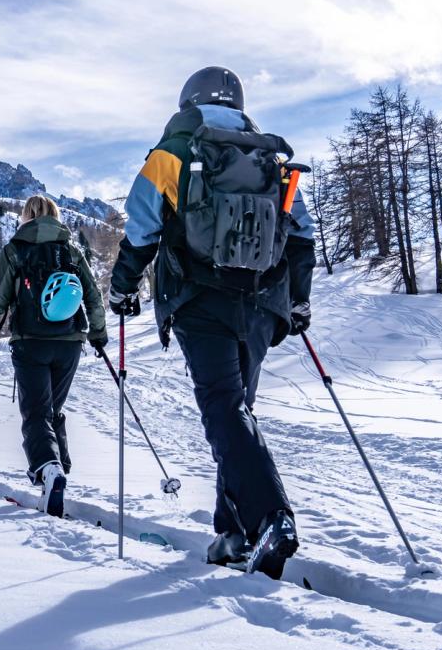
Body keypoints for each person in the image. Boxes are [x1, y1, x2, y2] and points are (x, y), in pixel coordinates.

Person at [107, 66, 316, 579]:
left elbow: (141, 231)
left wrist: (121, 287)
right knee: (236, 411)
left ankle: (271, 518)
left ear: (187, 101)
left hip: (201, 300)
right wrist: (299, 302)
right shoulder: (268, 155)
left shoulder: (173, 152)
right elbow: (302, 234)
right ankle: (233, 532)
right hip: (264, 304)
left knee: (224, 409)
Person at [0, 194, 106, 517]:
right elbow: (93, 296)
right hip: (70, 342)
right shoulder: (71, 250)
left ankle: (50, 471)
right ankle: (58, 471)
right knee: (50, 410)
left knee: (36, 414)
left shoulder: (15, 250)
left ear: (26, 216)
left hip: (31, 342)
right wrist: (98, 333)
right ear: (54, 215)